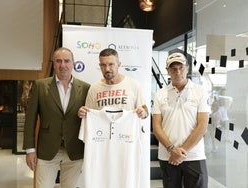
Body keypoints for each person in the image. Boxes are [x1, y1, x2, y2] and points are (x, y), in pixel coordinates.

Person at [78, 48, 148, 188]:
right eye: (103, 65)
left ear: (119, 64)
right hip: (101, 148)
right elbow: (89, 113)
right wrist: (83, 113)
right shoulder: (94, 88)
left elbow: (145, 110)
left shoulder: (133, 85)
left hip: (125, 146)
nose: (107, 68)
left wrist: (143, 112)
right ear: (99, 66)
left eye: (111, 64)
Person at [23, 47, 90, 188]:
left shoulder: (85, 88)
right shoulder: (40, 86)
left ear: (73, 63)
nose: (63, 65)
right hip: (47, 149)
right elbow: (30, 120)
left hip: (75, 149)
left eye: (67, 61)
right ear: (53, 64)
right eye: (58, 61)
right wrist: (30, 150)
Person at [152, 52, 211, 188]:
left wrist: (182, 151)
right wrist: (172, 150)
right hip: (168, 156)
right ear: (167, 71)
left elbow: (202, 126)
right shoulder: (160, 95)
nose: (177, 72)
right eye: (173, 68)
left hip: (194, 155)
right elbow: (156, 127)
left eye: (181, 67)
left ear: (187, 68)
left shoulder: (200, 92)